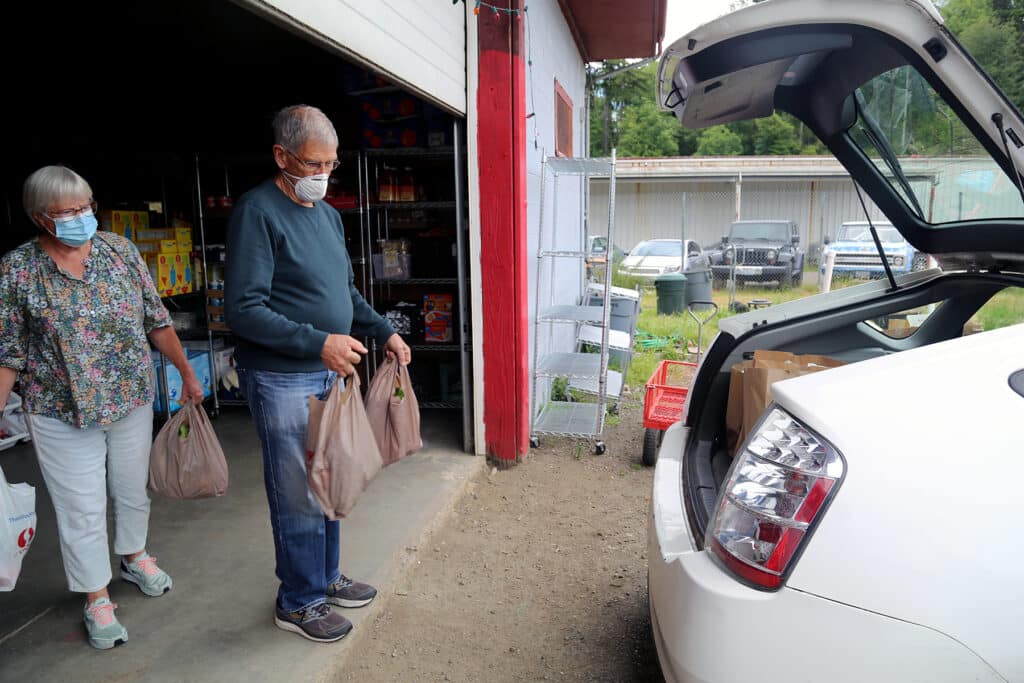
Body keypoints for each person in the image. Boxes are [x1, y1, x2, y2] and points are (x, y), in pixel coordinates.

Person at [225, 104, 411, 643]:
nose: (322, 176)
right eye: (312, 164)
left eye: (331, 164)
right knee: (297, 491)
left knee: (329, 477)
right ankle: (299, 601)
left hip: (330, 374)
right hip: (283, 378)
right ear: (281, 156)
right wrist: (317, 342)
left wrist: (383, 330)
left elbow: (343, 293)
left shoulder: (325, 215)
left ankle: (325, 577)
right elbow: (244, 309)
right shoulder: (256, 213)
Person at [0, 165, 205, 649]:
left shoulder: (119, 251)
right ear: (39, 217)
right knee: (81, 507)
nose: (79, 218)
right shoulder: (17, 270)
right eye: (65, 212)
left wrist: (188, 373)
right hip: (58, 408)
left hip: (130, 396)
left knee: (132, 488)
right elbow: (7, 350)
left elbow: (156, 320)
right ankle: (96, 595)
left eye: (84, 207)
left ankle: (134, 555)